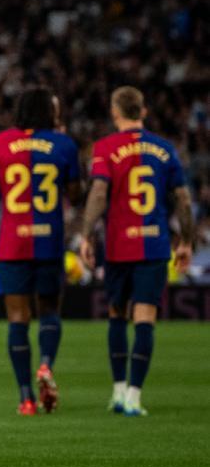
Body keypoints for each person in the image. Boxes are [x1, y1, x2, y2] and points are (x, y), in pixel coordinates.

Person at [0, 87, 81, 416]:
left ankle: (26, 397)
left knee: (17, 318)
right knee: (50, 311)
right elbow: (76, 194)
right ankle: (45, 365)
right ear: (48, 112)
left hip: (12, 245)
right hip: (50, 243)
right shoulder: (63, 145)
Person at [76, 86, 195, 417]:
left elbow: (99, 192)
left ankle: (116, 391)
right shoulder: (165, 148)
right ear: (143, 112)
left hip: (118, 246)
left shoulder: (105, 148)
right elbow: (183, 199)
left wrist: (86, 235)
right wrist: (186, 241)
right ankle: (134, 396)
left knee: (116, 314)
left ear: (116, 113)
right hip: (154, 245)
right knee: (145, 319)